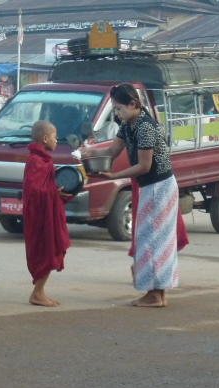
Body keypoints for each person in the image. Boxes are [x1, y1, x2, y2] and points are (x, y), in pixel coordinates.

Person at [81, 83, 180, 308]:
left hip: (158, 185)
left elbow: (144, 166)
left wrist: (114, 175)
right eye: (115, 109)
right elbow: (111, 151)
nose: (117, 114)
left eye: (119, 109)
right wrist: (90, 152)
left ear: (133, 104)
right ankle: (157, 292)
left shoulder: (145, 127)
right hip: (153, 186)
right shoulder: (129, 124)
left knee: (152, 239)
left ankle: (154, 294)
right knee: (154, 239)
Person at [23, 120, 73, 307]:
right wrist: (54, 192)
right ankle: (37, 293)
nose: (57, 141)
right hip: (40, 215)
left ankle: (40, 291)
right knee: (45, 250)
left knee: (52, 248)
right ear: (45, 139)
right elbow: (34, 189)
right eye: (54, 137)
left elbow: (46, 186)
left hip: (49, 211)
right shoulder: (36, 161)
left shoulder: (44, 160)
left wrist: (57, 192)